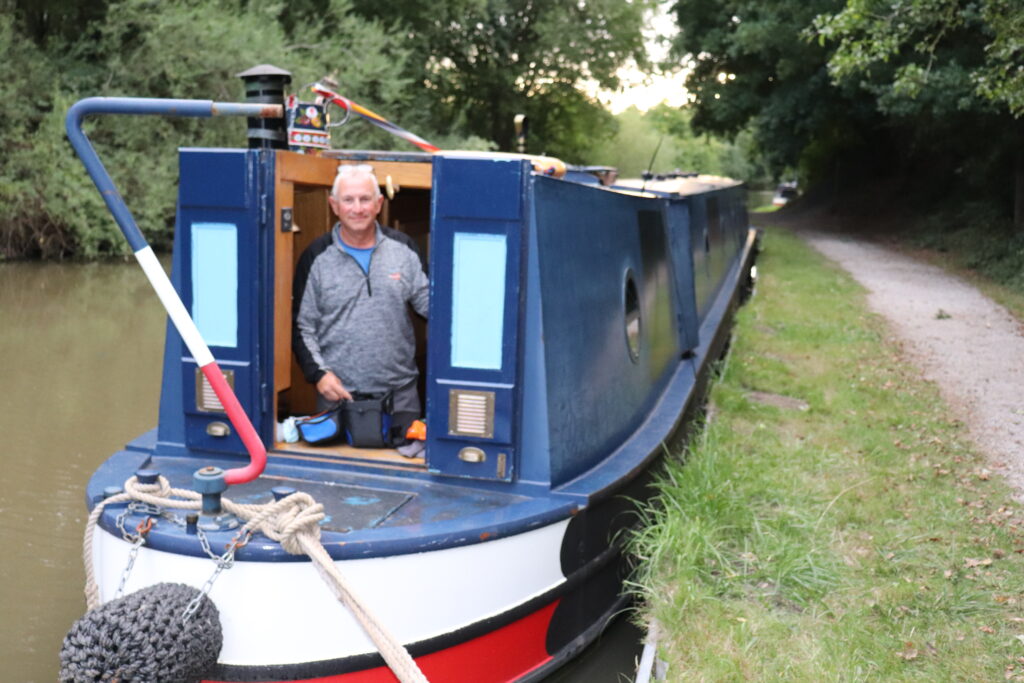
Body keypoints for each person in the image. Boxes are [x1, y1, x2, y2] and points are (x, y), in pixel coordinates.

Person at [292, 164, 429, 451]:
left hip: (401, 399)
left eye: (365, 199)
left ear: (379, 204)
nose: (357, 208)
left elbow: (435, 310)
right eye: (349, 200)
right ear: (334, 206)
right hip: (338, 400)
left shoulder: (404, 249)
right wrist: (319, 375)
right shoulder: (315, 257)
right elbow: (302, 326)